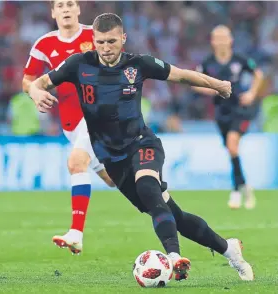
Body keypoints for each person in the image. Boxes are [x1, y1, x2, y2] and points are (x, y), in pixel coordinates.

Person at [28, 13, 254, 282]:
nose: (106, 47)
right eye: (100, 42)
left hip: (142, 143)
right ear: (93, 41)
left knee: (148, 187)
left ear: (122, 39)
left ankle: (173, 257)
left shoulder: (138, 64)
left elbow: (180, 76)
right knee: (174, 215)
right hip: (111, 157)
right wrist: (36, 92)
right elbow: (40, 82)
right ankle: (230, 250)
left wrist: (217, 84)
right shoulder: (79, 64)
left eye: (112, 41)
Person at [22, 0, 115, 255]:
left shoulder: (95, 36)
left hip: (98, 114)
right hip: (70, 123)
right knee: (113, 179)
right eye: (60, 5)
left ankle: (76, 233)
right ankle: (158, 194)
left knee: (75, 163)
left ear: (78, 9)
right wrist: (35, 93)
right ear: (53, 12)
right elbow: (28, 81)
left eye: (70, 4)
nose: (65, 8)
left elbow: (117, 66)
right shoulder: (44, 44)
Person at [194, 25, 264, 209]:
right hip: (221, 112)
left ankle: (235, 191)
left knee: (233, 144)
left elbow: (258, 74)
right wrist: (210, 90)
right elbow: (193, 81)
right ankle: (245, 186)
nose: (221, 41)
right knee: (232, 150)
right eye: (217, 37)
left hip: (240, 109)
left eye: (224, 37)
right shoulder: (208, 62)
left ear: (231, 40)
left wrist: (251, 94)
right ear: (212, 41)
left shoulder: (240, 60)